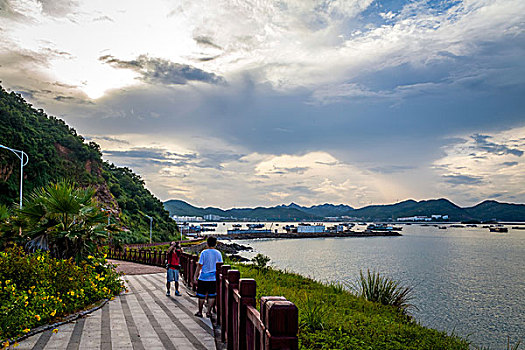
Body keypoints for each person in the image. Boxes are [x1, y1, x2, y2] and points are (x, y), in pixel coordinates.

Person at [193, 236, 222, 318]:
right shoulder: (218, 253)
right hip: (213, 278)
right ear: (215, 244)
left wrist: (195, 276)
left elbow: (199, 265)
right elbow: (220, 266)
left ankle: (200, 312)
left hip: (203, 277)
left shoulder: (204, 252)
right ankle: (209, 312)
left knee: (201, 295)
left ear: (207, 243)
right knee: (211, 295)